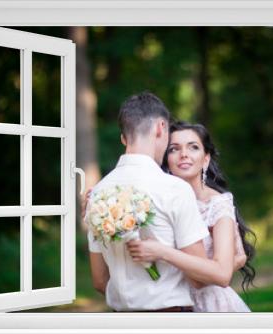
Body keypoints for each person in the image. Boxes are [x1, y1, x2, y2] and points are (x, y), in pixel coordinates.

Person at [85, 92, 213, 312]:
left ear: (124, 138)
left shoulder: (98, 194)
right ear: (161, 128)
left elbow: (99, 280)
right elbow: (200, 279)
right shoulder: (175, 189)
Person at [126, 121, 256, 312]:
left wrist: (161, 251)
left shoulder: (217, 205)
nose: (184, 154)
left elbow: (216, 277)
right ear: (166, 159)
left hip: (210, 306)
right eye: (174, 149)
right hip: (167, 305)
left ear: (205, 159)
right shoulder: (155, 200)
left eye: (193, 147)